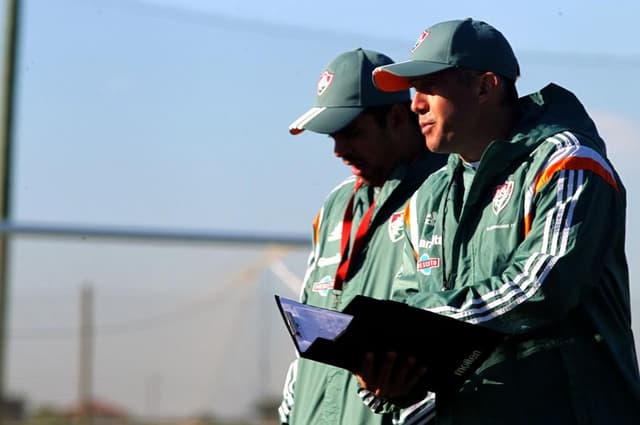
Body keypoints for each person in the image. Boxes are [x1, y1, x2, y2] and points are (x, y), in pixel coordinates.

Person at [356, 18, 640, 424]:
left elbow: (539, 287)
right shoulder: (428, 198)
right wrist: (395, 374)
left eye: (429, 86)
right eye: (415, 91)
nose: (415, 103)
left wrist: (415, 326)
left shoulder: (568, 163)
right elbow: (410, 301)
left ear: (485, 87)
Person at [278, 48, 445, 425]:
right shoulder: (337, 204)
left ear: (398, 118)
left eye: (352, 133)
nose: (339, 151)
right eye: (332, 137)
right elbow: (310, 328)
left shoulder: (447, 191)